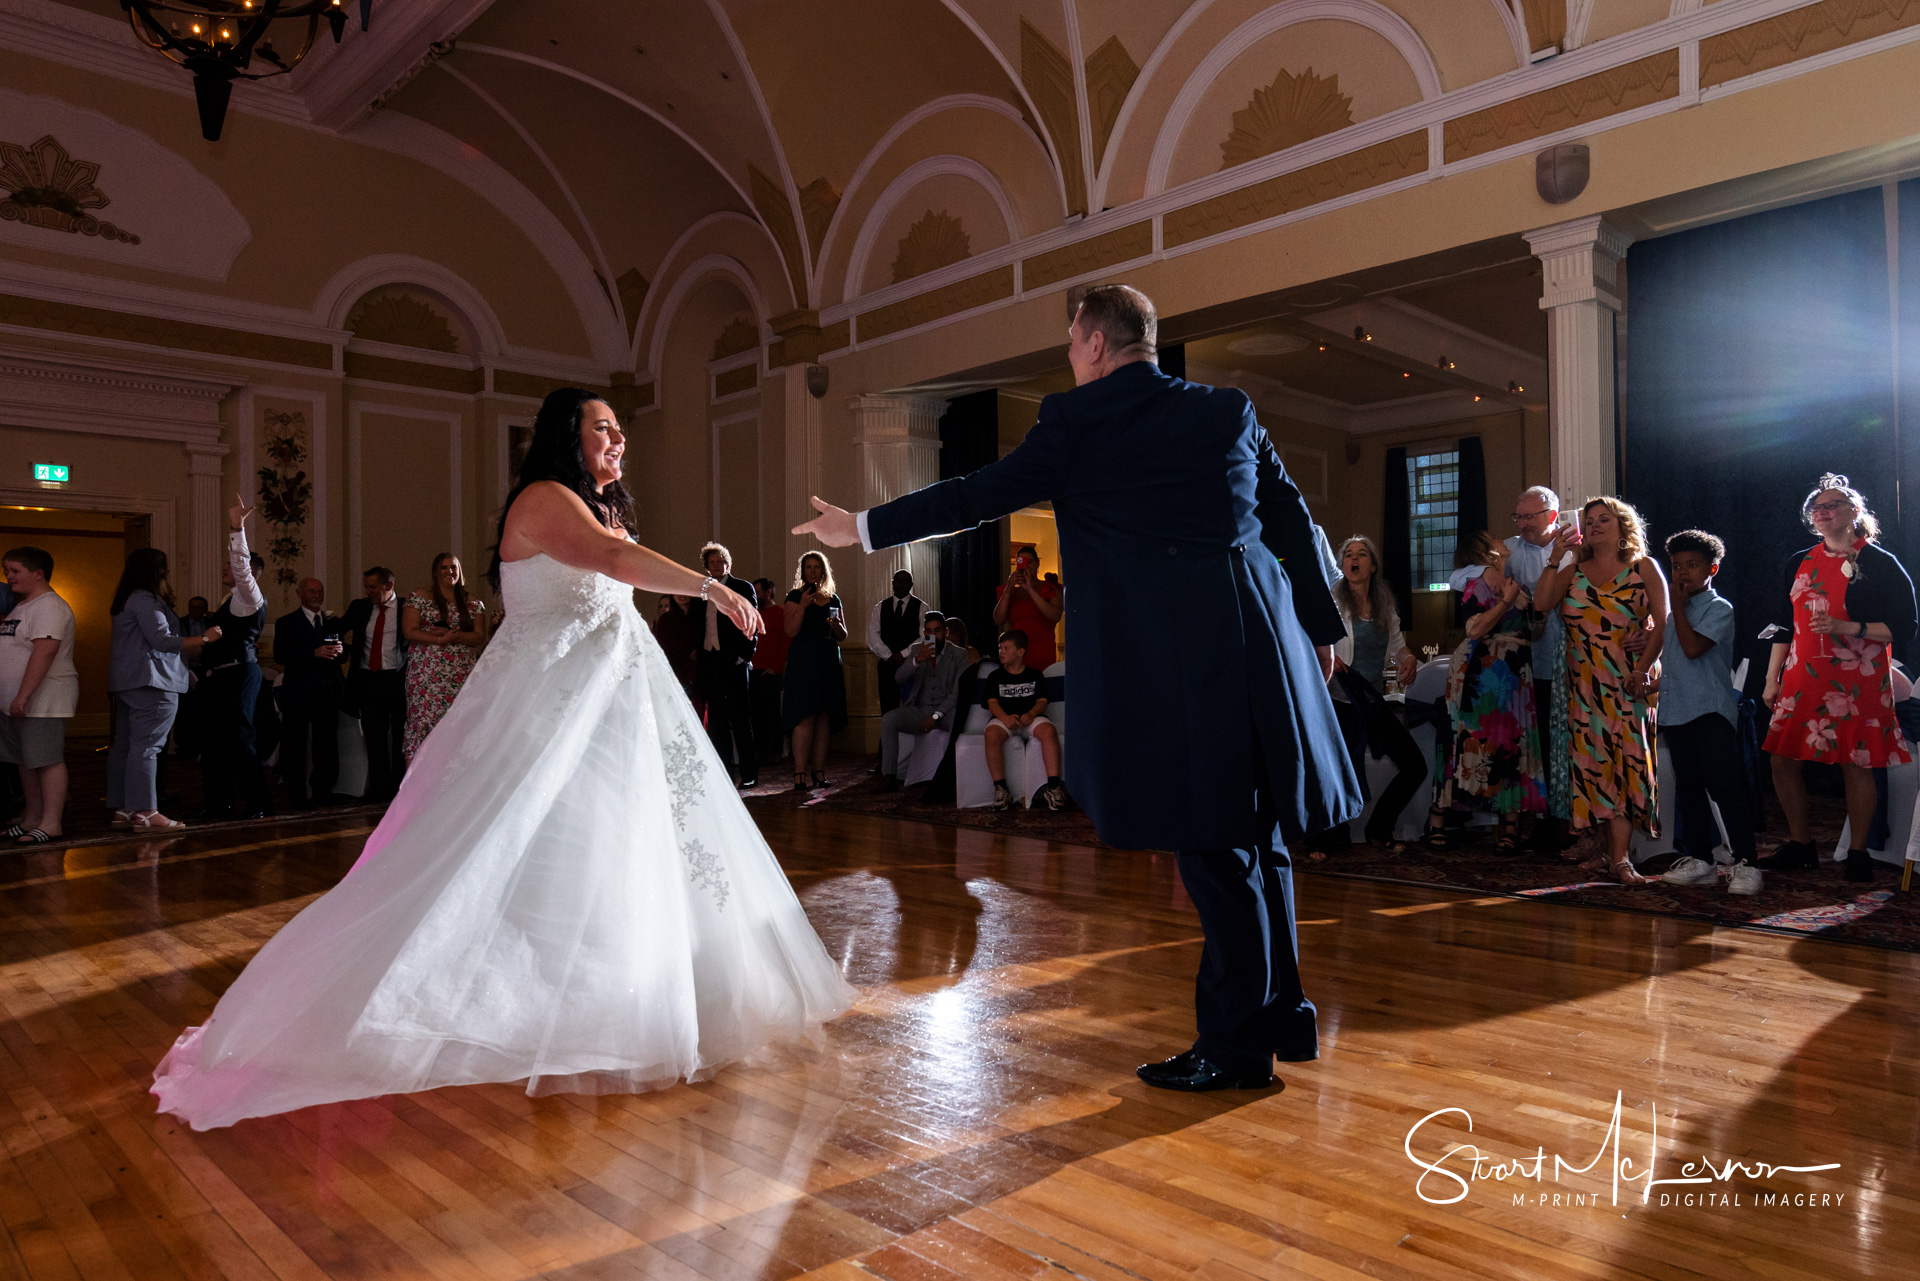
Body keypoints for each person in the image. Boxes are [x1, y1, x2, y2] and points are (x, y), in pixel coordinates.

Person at [151, 387, 853, 1131]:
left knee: (627, 849)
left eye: (620, 430)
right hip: (550, 700)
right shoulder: (544, 497)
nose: (618, 440)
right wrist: (711, 584)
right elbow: (612, 560)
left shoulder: (597, 503)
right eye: (603, 429)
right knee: (514, 847)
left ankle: (629, 996)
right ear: (565, 437)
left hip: (619, 699)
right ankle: (500, 1003)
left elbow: (613, 557)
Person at [795, 282, 1357, 1093]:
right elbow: (1289, 509)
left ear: (1095, 343)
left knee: (1214, 852)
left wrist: (865, 526)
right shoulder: (1227, 409)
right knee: (1258, 840)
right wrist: (1321, 625)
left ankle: (1236, 1049)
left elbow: (971, 497)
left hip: (1177, 664)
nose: (1069, 358)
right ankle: (1280, 1018)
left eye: (1069, 344)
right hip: (1262, 648)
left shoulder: (1076, 421)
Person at [1760, 474, 1917, 882]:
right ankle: (1801, 845)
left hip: (1857, 679)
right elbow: (1783, 623)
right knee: (1781, 760)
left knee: (1856, 763)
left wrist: (1850, 629)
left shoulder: (1879, 563)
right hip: (1801, 675)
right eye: (1818, 507)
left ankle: (1859, 852)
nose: (1825, 511)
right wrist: (1771, 678)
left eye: (1834, 504)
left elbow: (1905, 627)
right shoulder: (1799, 560)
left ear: (1855, 513)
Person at [1534, 497, 1668, 885]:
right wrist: (1554, 557)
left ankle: (1622, 858)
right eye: (1589, 521)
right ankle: (1610, 853)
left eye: (1603, 519)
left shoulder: (1643, 567)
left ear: (1622, 525)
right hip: (1583, 688)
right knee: (1593, 770)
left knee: (1627, 767)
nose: (1594, 525)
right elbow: (1542, 604)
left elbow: (1664, 622)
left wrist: (1643, 669)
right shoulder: (1573, 569)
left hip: (1629, 683)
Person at [1650, 529, 1757, 883]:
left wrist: (1677, 608)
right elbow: (1678, 663)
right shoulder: (1674, 613)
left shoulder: (1718, 608)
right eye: (1677, 566)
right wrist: (1652, 683)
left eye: (1692, 565)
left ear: (1712, 569)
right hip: (1677, 710)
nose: (1682, 573)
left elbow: (1695, 649)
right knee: (1689, 786)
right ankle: (1701, 860)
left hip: (1710, 711)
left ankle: (1746, 863)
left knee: (1723, 786)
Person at [1429, 538, 1544, 849]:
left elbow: (1535, 626)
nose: (1502, 545)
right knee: (1465, 740)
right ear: (1482, 556)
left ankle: (1511, 826)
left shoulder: (1512, 583)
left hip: (1515, 670)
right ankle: (1437, 817)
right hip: (1481, 669)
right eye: (1495, 547)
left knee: (1511, 743)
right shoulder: (1475, 585)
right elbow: (1475, 630)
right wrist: (1506, 602)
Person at [109, 550, 220, 832]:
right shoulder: (146, 600)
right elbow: (163, 641)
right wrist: (206, 637)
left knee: (126, 746)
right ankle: (146, 812)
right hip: (153, 682)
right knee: (147, 747)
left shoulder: (126, 599)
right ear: (157, 571)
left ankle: (125, 808)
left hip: (128, 682)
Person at [1326, 536, 1422, 851]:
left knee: (1414, 766)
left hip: (1371, 700)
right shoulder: (1332, 601)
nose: (1354, 559)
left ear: (1372, 565)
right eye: (1348, 555)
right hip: (1339, 700)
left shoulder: (1384, 604)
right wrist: (1325, 655)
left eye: (1361, 554)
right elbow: (1308, 638)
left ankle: (1379, 828)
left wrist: (1408, 660)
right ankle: (1331, 839)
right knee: (1340, 769)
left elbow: (1398, 646)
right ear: (1342, 565)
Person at [193, 501, 272, 822]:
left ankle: (259, 803)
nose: (226, 569)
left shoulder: (248, 594)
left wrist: (237, 528)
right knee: (213, 742)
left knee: (240, 740)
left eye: (231, 566)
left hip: (239, 675)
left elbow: (240, 566)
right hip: (220, 677)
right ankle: (218, 804)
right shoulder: (231, 600)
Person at [1502, 486, 1571, 851]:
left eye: (1530, 516)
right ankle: (1545, 819)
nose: (1523, 523)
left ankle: (1572, 822)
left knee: (1570, 744)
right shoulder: (1510, 552)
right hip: (1531, 665)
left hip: (1575, 662)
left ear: (1552, 515)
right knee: (1540, 745)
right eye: (1519, 517)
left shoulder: (1574, 548)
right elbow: (1466, 573)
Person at [0, 547, 79, 844]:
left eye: (15, 570)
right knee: (24, 760)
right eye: (7, 570)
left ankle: (50, 822)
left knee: (46, 760)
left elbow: (45, 652)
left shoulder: (49, 606)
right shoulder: (22, 606)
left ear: (38, 573)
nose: (9, 576)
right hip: (15, 702)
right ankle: (32, 817)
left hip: (43, 701)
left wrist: (22, 696)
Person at [401, 553, 490, 765]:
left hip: (459, 673)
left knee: (457, 724)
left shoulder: (472, 602)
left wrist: (458, 636)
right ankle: (416, 787)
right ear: (435, 572)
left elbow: (479, 636)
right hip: (426, 675)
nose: (449, 572)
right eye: (444, 567)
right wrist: (438, 639)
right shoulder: (420, 596)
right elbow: (409, 630)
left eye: (453, 568)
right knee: (423, 723)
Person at [689, 543, 757, 789]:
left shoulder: (742, 587)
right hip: (710, 661)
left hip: (735, 661)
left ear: (728, 563)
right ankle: (724, 774)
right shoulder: (701, 591)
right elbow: (694, 623)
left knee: (741, 719)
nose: (717, 565)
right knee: (717, 721)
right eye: (712, 562)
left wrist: (745, 656)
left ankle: (749, 774)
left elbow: (752, 624)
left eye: (720, 561)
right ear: (706, 566)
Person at [273, 578, 345, 808]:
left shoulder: (331, 622)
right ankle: (297, 795)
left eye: (320, 591)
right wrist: (312, 653)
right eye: (312, 591)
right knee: (295, 744)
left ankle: (323, 791)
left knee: (326, 744)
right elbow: (281, 655)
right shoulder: (286, 622)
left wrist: (341, 651)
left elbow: (340, 654)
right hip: (298, 691)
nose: (316, 595)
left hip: (327, 691)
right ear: (299, 593)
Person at [781, 551, 847, 792]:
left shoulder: (833, 599)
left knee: (823, 717)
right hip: (803, 661)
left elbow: (842, 635)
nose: (812, 571)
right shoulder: (795, 596)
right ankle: (800, 772)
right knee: (805, 715)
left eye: (817, 567)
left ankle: (819, 772)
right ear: (803, 571)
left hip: (828, 660)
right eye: (808, 567)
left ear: (823, 571)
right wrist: (803, 606)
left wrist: (839, 627)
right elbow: (789, 631)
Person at [341, 566, 407, 802]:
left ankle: (399, 789)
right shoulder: (359, 607)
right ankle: (379, 789)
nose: (367, 591)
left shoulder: (407, 607)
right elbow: (338, 629)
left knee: (401, 736)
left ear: (388, 586)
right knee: (374, 737)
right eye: (366, 586)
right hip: (368, 680)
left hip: (398, 680)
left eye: (372, 587)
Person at [878, 610, 965, 787]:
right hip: (920, 709)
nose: (933, 635)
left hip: (946, 711)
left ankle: (951, 777)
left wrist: (935, 716)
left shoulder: (959, 654)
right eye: (929, 631)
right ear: (924, 632)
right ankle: (889, 776)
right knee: (889, 719)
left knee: (958, 718)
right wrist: (917, 660)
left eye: (937, 630)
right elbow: (898, 677)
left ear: (946, 632)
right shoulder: (918, 649)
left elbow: (957, 693)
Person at [983, 629, 1064, 811]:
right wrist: (1004, 717)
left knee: (1049, 731)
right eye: (1000, 648)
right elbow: (992, 703)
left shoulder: (1035, 675)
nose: (1001, 651)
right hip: (1005, 719)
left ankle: (1054, 788)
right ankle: (1001, 789)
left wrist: (1032, 714)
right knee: (991, 734)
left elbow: (1042, 702)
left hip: (1031, 718)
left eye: (1006, 648)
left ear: (1020, 651)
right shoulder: (995, 676)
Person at [866, 569, 926, 717]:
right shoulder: (881, 607)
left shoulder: (922, 607)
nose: (901, 584)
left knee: (913, 705)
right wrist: (889, 656)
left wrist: (903, 654)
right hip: (887, 665)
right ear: (892, 583)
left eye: (905, 581)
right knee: (887, 708)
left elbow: (924, 637)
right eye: (898, 581)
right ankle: (887, 739)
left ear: (911, 584)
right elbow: (873, 635)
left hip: (912, 664)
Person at [993, 544, 1062, 671]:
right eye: (1021, 562)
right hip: (1016, 660)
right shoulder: (1011, 592)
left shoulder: (1049, 587)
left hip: (1043, 656)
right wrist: (1009, 588)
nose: (1026, 566)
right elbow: (998, 620)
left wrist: (1030, 590)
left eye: (1029, 562)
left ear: (1037, 564)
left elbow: (1055, 616)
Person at [749, 577, 789, 767]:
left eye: (757, 591)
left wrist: (776, 667)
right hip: (751, 670)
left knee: (772, 713)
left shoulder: (780, 613)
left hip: (771, 671)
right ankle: (760, 751)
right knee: (754, 713)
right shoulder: (752, 613)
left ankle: (775, 750)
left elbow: (786, 642)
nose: (754, 595)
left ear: (768, 593)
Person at [651, 593, 699, 695]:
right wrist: (687, 653)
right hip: (677, 668)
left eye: (684, 591)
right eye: (677, 592)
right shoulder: (666, 618)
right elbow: (666, 645)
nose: (681, 595)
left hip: (701, 667)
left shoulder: (701, 614)